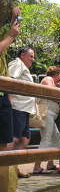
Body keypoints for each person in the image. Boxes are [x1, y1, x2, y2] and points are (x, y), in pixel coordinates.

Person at [7, 47, 36, 178]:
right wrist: (10, 99)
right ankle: (4, 169)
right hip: (17, 107)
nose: (33, 59)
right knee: (14, 138)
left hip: (25, 109)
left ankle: (13, 168)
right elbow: (10, 80)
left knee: (25, 139)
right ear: (22, 55)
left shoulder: (24, 68)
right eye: (30, 56)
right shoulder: (17, 63)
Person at [33, 66, 60, 174]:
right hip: (47, 114)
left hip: (50, 115)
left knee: (56, 137)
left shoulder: (51, 81)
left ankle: (50, 163)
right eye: (59, 76)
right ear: (56, 75)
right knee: (46, 139)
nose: (59, 78)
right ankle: (37, 166)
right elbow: (51, 92)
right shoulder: (48, 79)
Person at [0, 7, 21, 152]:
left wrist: (15, 17)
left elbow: (9, 33)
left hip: (4, 95)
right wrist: (11, 36)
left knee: (4, 139)